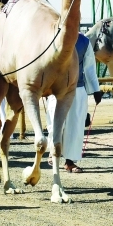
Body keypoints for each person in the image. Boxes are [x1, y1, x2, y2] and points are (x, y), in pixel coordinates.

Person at [45, 33, 103, 173]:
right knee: (55, 123)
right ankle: (53, 153)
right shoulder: (53, 37)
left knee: (75, 125)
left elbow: (89, 66)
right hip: (56, 89)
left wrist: (95, 89)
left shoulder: (84, 41)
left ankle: (70, 162)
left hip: (78, 89)